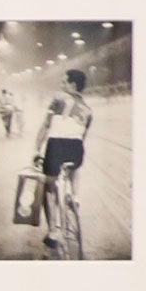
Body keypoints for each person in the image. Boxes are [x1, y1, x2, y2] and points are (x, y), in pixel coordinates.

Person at [33, 68, 93, 250]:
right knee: (74, 167)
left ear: (72, 85)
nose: (61, 85)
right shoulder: (88, 110)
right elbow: (83, 136)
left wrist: (36, 150)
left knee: (47, 187)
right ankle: (74, 196)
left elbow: (45, 126)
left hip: (56, 147)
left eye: (64, 82)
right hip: (76, 151)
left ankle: (52, 232)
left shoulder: (58, 99)